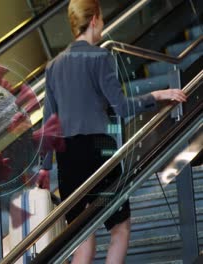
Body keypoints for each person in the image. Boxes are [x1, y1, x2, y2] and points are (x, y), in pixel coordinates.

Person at [39, 0, 187, 263]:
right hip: (99, 151)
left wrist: (43, 167)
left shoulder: (54, 66)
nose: (104, 26)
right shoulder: (100, 57)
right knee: (120, 227)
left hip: (67, 158)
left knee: (82, 239)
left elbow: (49, 122)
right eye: (103, 20)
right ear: (94, 19)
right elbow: (121, 107)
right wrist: (158, 94)